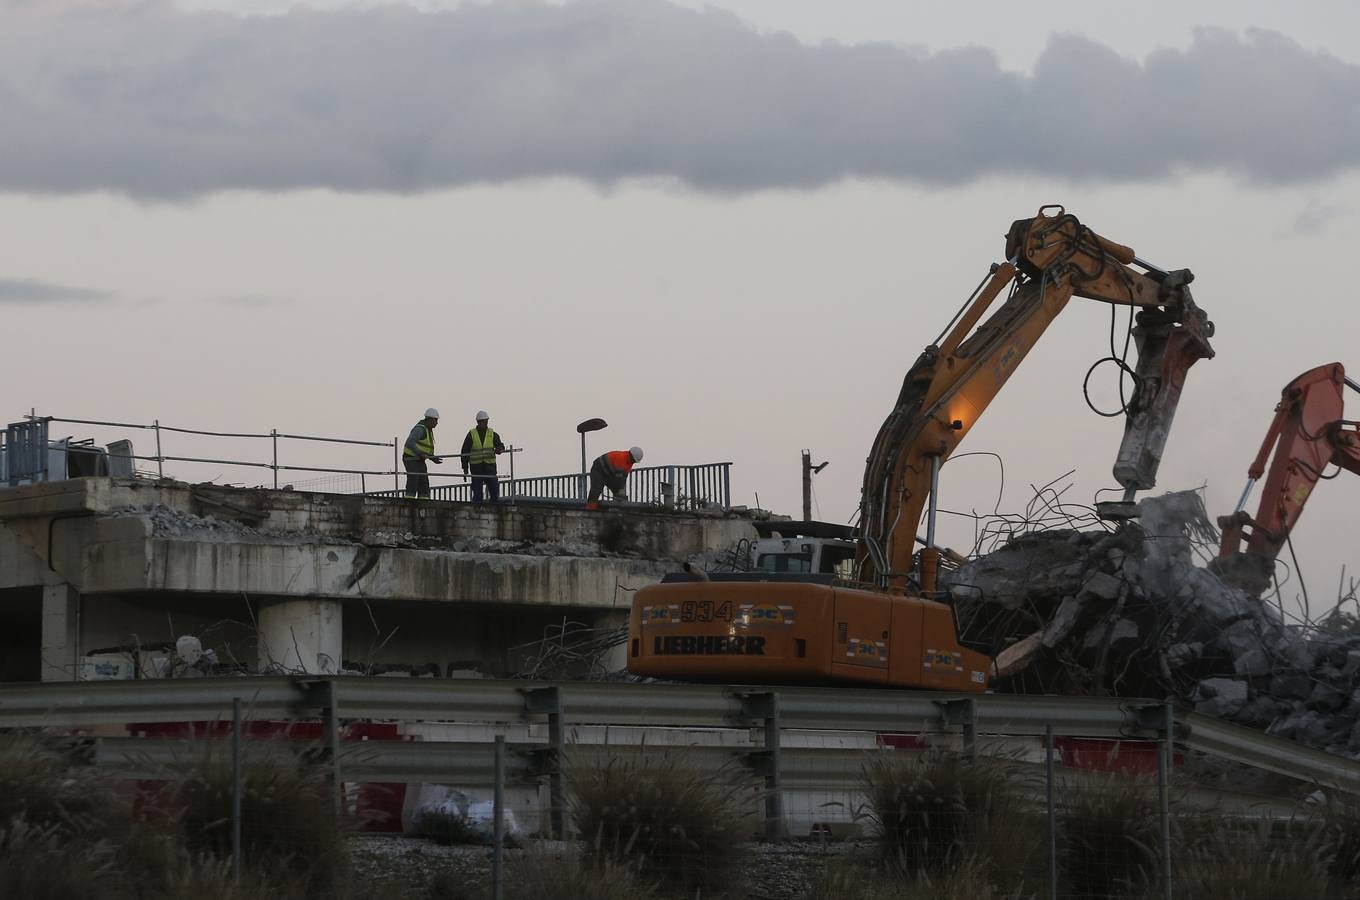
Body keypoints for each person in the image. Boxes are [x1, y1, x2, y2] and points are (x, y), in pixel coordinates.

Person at [460, 410, 506, 502]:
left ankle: (495, 508)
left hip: (489, 467)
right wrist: (465, 469)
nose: (484, 423)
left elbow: (500, 445)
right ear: (478, 422)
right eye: (482, 421)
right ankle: (477, 509)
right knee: (477, 493)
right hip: (476, 467)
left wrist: (499, 449)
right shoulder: (472, 434)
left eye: (485, 421)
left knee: (494, 490)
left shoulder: (492, 433)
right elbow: (464, 451)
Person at [402, 408, 442, 499]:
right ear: (430, 419)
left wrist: (432, 458)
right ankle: (409, 502)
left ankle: (423, 502)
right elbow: (410, 442)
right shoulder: (420, 429)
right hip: (411, 458)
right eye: (435, 420)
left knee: (423, 482)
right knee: (414, 479)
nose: (436, 423)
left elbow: (425, 449)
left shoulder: (428, 430)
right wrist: (420, 453)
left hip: (419, 459)